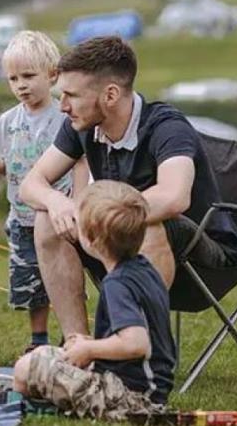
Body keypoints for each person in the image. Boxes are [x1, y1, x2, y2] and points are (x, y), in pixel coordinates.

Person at [19, 36, 237, 341]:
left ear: (110, 94)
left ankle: (127, 353)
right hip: (118, 243)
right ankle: (79, 348)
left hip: (200, 260)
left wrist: (94, 214)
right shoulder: (81, 125)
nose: (63, 107)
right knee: (47, 219)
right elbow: (31, 185)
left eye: (71, 95)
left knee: (145, 224)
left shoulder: (167, 128)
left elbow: (173, 197)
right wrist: (57, 202)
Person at [12, 180, 175, 421]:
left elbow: (137, 344)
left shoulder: (117, 284)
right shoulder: (144, 269)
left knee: (25, 368)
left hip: (129, 398)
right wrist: (89, 344)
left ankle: (20, 404)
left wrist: (89, 349)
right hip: (145, 389)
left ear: (90, 239)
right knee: (51, 353)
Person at [0, 31, 86, 353]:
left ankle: (71, 332)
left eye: (28, 76)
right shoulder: (9, 121)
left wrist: (76, 202)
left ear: (52, 76)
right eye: (13, 78)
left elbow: (79, 160)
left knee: (64, 276)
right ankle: (38, 338)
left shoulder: (63, 117)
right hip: (21, 216)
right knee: (30, 281)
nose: (21, 85)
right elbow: (11, 168)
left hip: (56, 216)